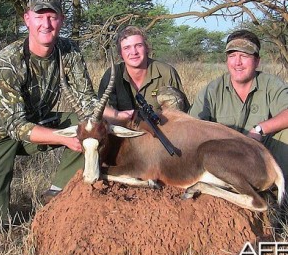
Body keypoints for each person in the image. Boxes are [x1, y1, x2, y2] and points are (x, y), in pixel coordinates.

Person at [0, 0, 130, 225]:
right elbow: (15, 126)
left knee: (86, 125)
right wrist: (63, 138)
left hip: (39, 122)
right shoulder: (4, 62)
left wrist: (116, 116)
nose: (46, 24)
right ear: (27, 19)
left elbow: (85, 98)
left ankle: (58, 194)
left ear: (61, 20)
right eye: (39, 17)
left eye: (52, 17)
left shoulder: (69, 51)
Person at [189, 29, 288, 189]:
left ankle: (280, 195)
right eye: (232, 56)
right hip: (226, 163)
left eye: (245, 56)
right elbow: (192, 126)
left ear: (257, 61)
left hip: (262, 160)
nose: (237, 62)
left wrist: (259, 129)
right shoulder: (212, 90)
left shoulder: (271, 84)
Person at [98, 25, 190, 114]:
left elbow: (183, 114)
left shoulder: (166, 72)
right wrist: (122, 118)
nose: (134, 52)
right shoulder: (112, 74)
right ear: (120, 53)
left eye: (138, 45)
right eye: (127, 48)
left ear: (146, 48)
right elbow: (104, 112)